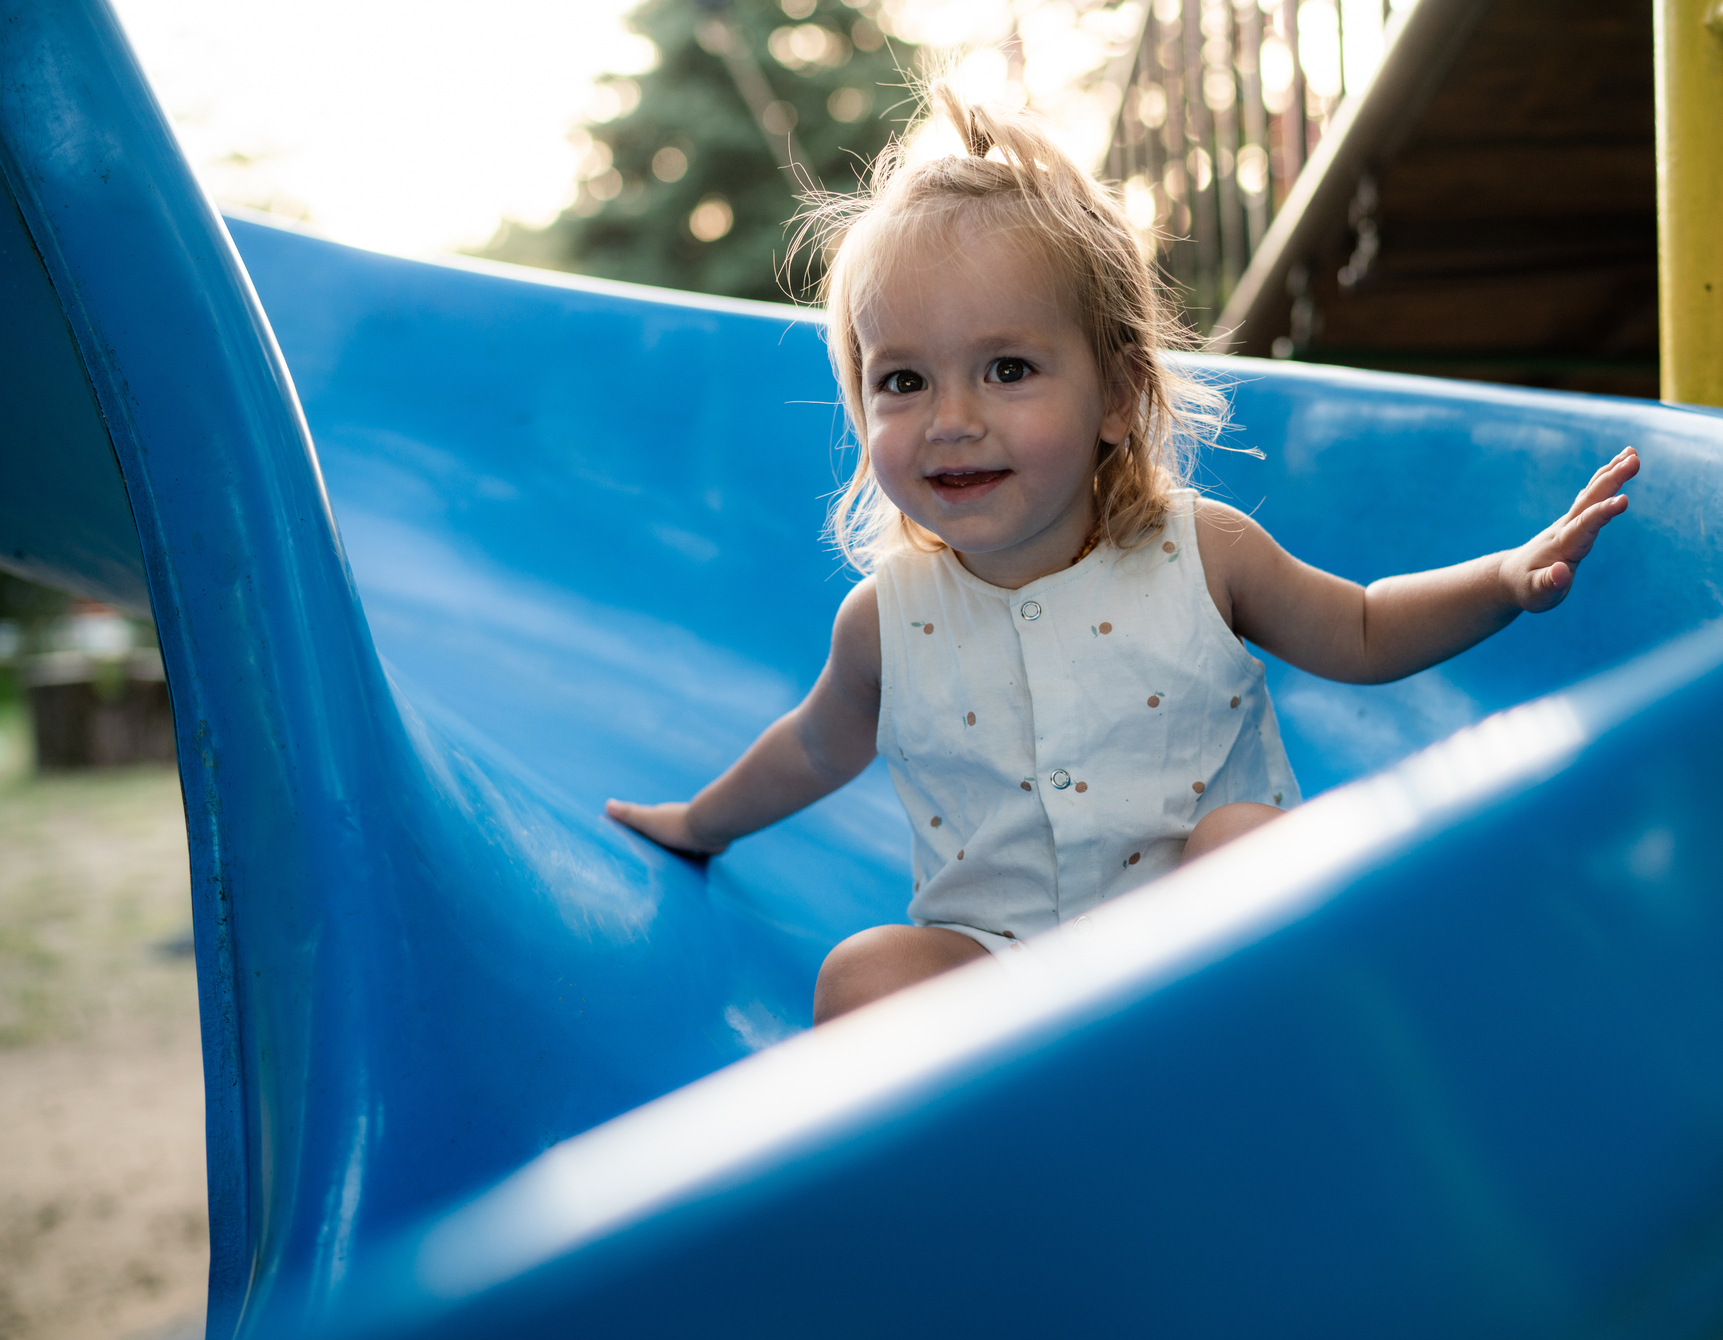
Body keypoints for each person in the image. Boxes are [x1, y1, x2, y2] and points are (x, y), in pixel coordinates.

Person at [606, 86, 1638, 1025]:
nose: (949, 420)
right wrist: (698, 823)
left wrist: (1502, 580)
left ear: (1116, 397)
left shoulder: (1200, 552)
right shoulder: (887, 617)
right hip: (1005, 968)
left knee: (1246, 841)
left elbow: (1361, 628)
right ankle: (965, 1170)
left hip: (1207, 945)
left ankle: (1272, 1054)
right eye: (902, 381)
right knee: (861, 975)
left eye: (1006, 369)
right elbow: (814, 747)